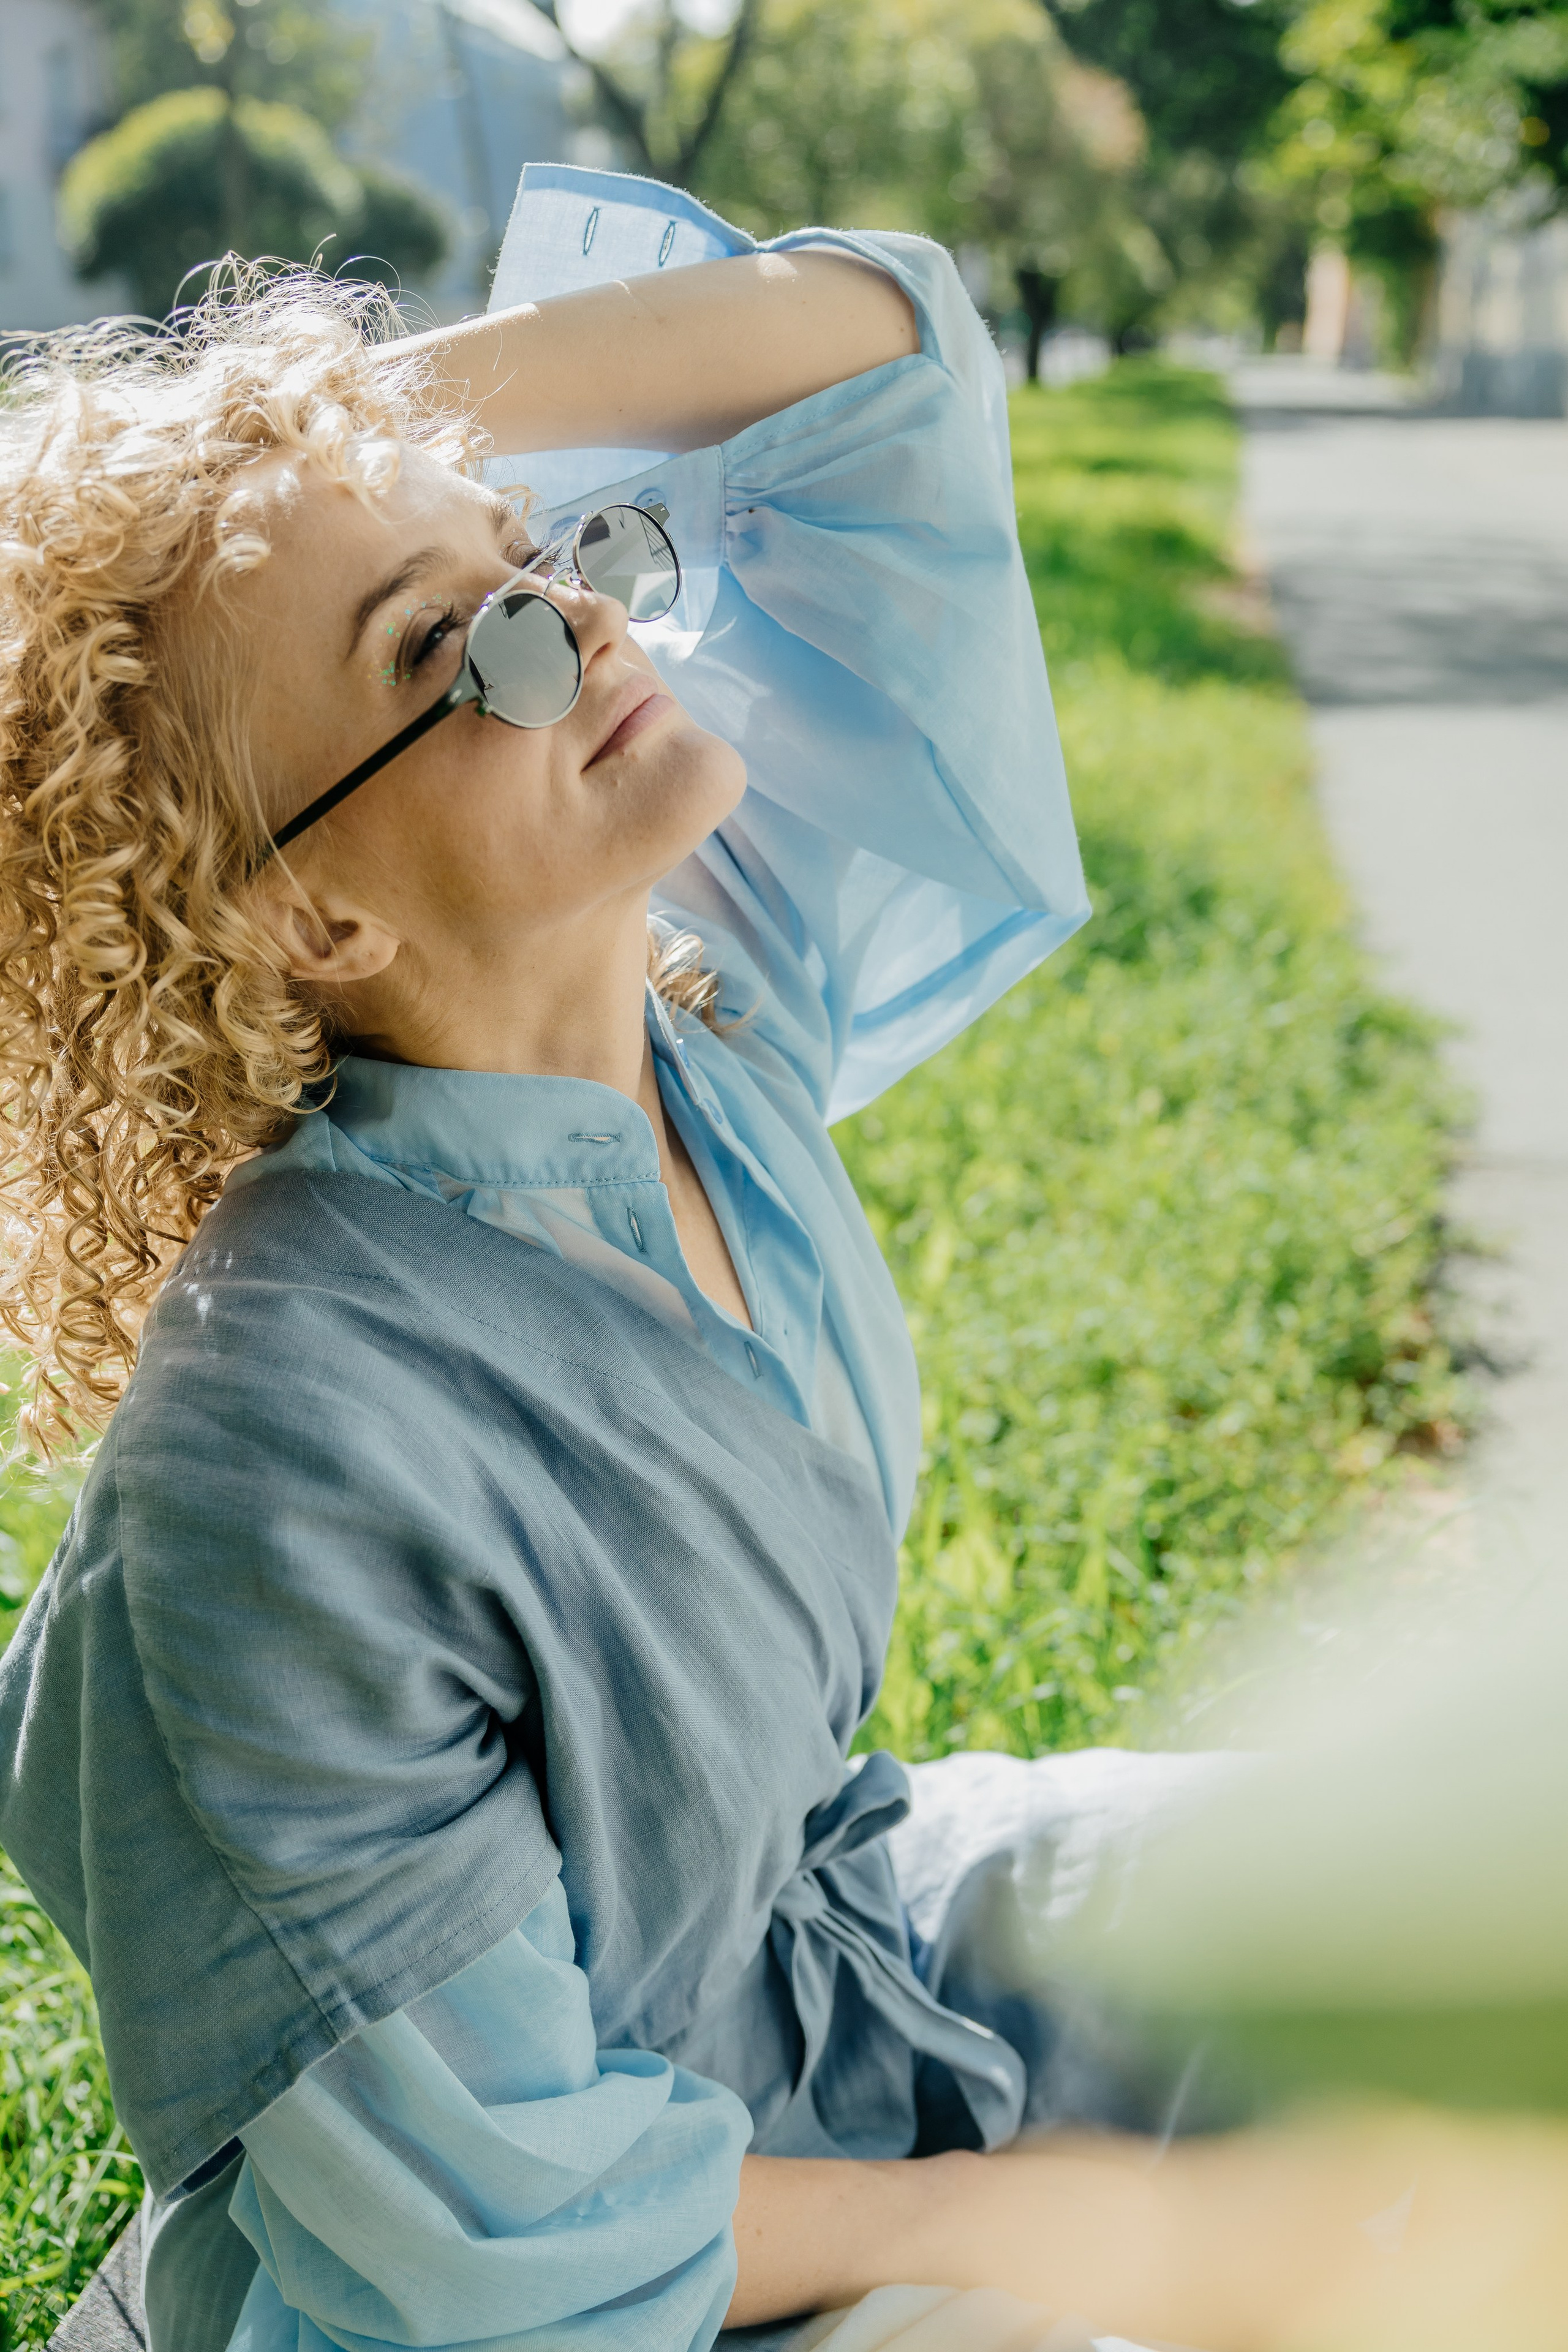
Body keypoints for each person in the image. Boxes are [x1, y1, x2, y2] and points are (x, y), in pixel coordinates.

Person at [3, 164, 1561, 2352]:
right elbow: (504, 2233)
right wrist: (1078, 2222)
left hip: (831, 1975)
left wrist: (314, 436)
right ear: (305, 918)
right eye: (458, 648)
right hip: (568, 2269)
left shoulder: (698, 995)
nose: (596, 623)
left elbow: (879, 346)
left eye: (540, 553)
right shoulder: (264, 1477)